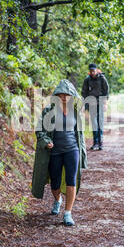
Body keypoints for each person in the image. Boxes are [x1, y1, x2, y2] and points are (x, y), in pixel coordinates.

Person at [31, 79, 87, 226]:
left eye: (67, 95)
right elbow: (40, 131)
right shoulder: (48, 111)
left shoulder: (75, 112)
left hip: (72, 150)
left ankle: (68, 213)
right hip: (54, 152)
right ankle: (57, 200)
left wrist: (83, 154)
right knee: (54, 183)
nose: (64, 97)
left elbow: (80, 135)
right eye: (61, 95)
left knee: (71, 179)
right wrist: (46, 142)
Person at [81, 63, 109, 150]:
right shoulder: (87, 80)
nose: (92, 72)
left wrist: (105, 103)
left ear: (96, 70)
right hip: (92, 102)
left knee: (100, 122)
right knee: (94, 123)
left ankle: (101, 143)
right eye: (91, 71)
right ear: (89, 71)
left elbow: (106, 91)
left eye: (93, 70)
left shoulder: (102, 79)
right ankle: (95, 142)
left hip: (100, 101)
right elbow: (84, 92)